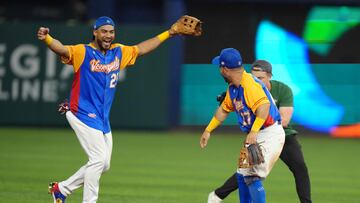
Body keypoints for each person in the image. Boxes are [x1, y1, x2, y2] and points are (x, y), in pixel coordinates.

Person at [37, 16, 182, 203]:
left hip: (102, 117)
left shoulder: (118, 52)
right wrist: (48, 39)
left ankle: (61, 189)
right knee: (97, 159)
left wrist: (169, 33)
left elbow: (142, 48)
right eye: (104, 31)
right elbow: (62, 48)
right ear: (95, 32)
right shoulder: (83, 52)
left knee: (103, 164)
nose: (108, 35)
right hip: (81, 111)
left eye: (111, 32)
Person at [207, 60, 312, 203]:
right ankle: (217, 195)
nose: (257, 79)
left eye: (261, 77)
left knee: (299, 168)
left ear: (270, 76)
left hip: (282, 136)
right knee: (245, 171)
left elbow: (284, 120)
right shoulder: (246, 87)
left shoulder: (282, 89)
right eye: (254, 76)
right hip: (256, 136)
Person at [200, 48, 285, 203]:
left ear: (225, 69)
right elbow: (223, 111)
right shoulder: (233, 88)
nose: (219, 70)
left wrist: (253, 131)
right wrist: (208, 130)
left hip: (269, 132)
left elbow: (264, 107)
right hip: (257, 133)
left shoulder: (249, 85)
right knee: (242, 174)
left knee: (252, 175)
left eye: (219, 66)